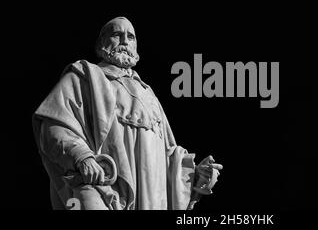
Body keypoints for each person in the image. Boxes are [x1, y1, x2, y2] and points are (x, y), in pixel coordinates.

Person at [32, 17, 223, 210]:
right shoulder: (84, 77)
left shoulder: (148, 93)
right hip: (105, 186)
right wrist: (82, 157)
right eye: (116, 34)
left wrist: (193, 174)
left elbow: (166, 153)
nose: (124, 40)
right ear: (101, 44)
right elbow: (54, 123)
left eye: (130, 36)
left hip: (151, 198)